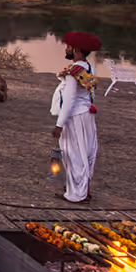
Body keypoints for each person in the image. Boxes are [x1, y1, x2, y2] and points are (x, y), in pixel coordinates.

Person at [50, 31, 101, 204]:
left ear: (77, 49)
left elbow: (69, 100)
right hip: (86, 114)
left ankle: (76, 195)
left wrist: (59, 125)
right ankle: (81, 189)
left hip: (75, 116)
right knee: (85, 153)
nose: (66, 49)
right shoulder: (88, 66)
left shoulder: (74, 72)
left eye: (69, 47)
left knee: (74, 155)